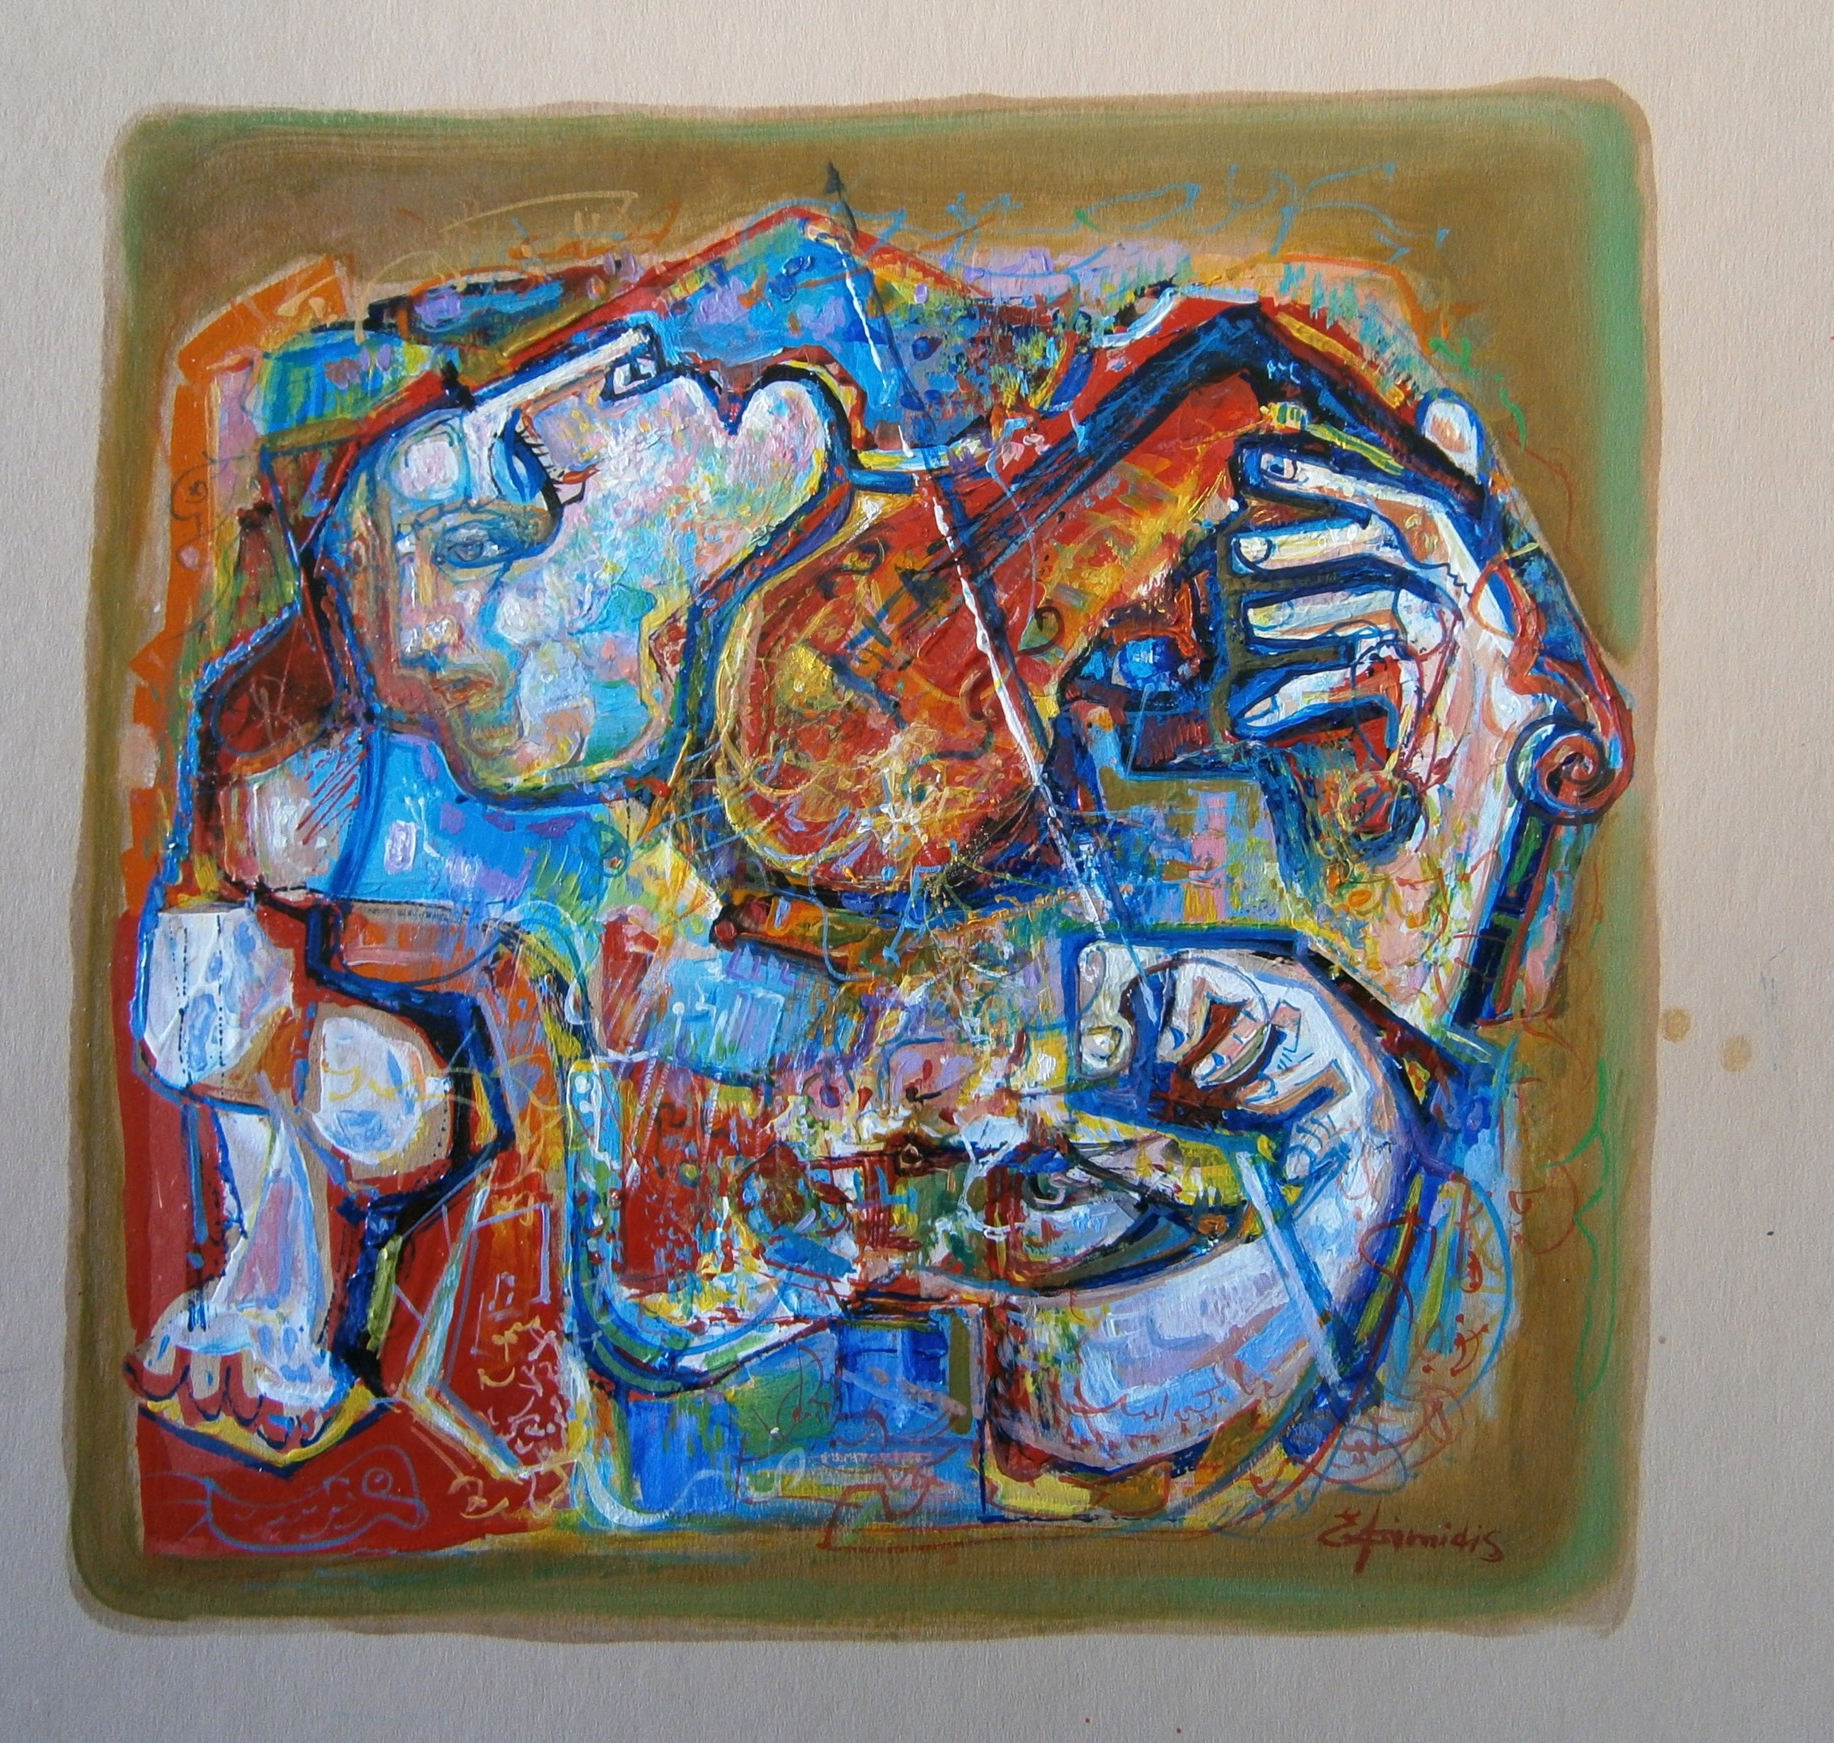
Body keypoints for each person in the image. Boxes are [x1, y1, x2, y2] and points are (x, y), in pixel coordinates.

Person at [126, 207, 1629, 1525]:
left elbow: (1238, 361)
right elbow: (1238, 366)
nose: (596, 391)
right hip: (1213, 858)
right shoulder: (813, 729)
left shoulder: (770, 738)